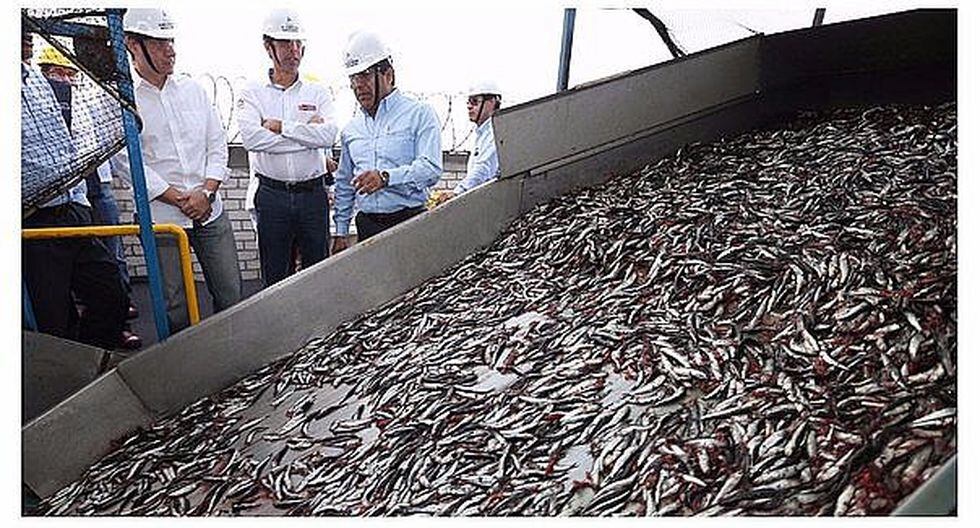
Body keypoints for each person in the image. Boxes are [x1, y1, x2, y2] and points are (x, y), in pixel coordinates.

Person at [111, 8, 241, 332]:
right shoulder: (124, 101)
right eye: (158, 42)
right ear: (133, 45)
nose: (170, 50)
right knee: (174, 306)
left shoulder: (194, 91)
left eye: (170, 40)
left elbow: (217, 144)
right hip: (162, 220)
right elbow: (126, 160)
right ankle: (183, 362)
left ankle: (233, 354)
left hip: (209, 212)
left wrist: (206, 193)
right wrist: (179, 199)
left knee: (231, 295)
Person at [22, 31, 128, 350]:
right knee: (53, 319)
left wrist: (79, 197)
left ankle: (90, 359)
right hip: (32, 220)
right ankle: (67, 371)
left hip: (71, 211)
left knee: (111, 293)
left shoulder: (38, 81)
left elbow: (64, 140)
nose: (27, 35)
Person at [237, 9, 338, 286]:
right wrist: (307, 134)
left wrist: (282, 127)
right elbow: (251, 140)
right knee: (276, 276)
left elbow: (328, 135)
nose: (294, 50)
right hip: (272, 197)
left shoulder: (318, 92)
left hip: (312, 196)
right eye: (285, 43)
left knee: (318, 275)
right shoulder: (252, 92)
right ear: (268, 46)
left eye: (297, 43)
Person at [332, 31, 443, 251]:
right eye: (353, 78)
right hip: (368, 227)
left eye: (364, 75)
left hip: (409, 224)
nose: (358, 85)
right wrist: (341, 232)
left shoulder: (419, 114)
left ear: (388, 75)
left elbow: (430, 169)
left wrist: (386, 178)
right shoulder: (351, 130)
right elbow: (344, 183)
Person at [435, 81, 502, 205]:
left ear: (491, 102)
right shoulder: (482, 134)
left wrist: (456, 193)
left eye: (475, 101)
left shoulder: (495, 132)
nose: (469, 106)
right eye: (468, 102)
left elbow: (484, 169)